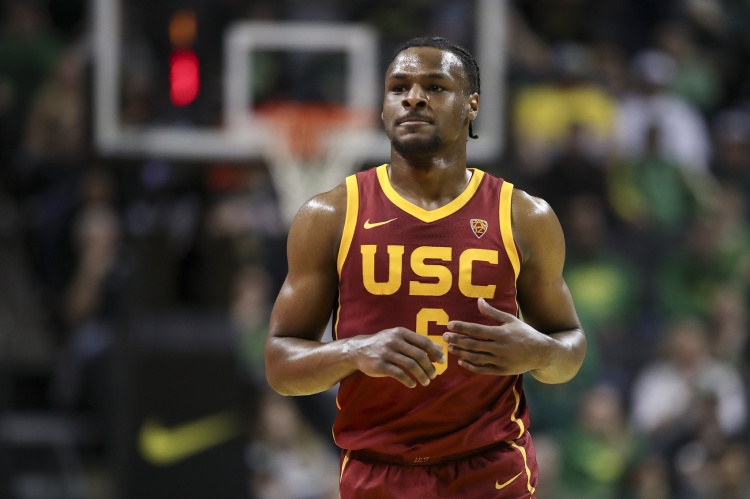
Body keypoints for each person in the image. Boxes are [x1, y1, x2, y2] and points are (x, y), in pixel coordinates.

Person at [265, 36, 587, 498]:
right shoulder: (330, 215)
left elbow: (570, 348)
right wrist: (353, 351)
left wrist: (539, 353)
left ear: (472, 104)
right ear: (383, 107)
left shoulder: (524, 216)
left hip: (491, 469)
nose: (413, 97)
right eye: (399, 88)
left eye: (435, 87)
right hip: (377, 472)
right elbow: (279, 366)